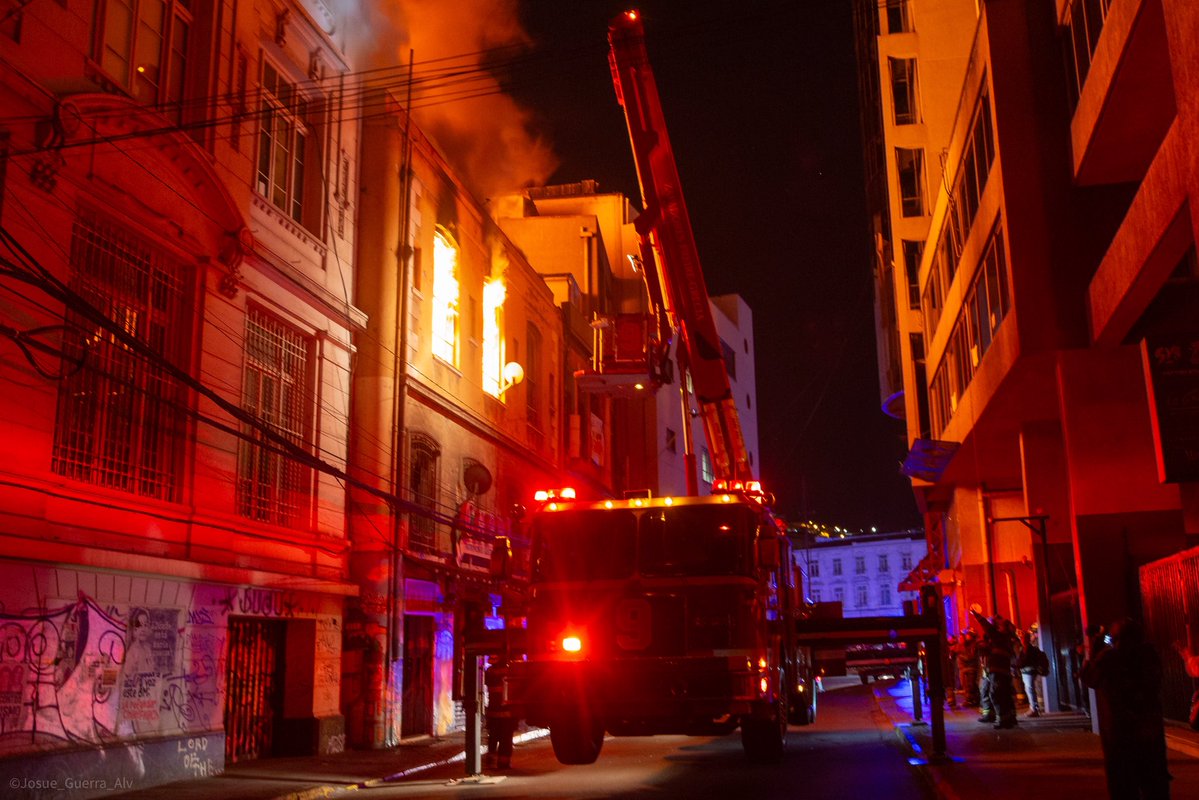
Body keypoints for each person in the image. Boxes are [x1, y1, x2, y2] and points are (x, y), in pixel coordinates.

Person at [1081, 617, 1171, 800]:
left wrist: (1093, 653)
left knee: (1123, 782)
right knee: (1154, 779)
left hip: (1120, 730)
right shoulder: (1149, 655)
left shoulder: (1109, 658)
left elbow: (1090, 678)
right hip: (1149, 728)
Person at [971, 608, 1018, 728]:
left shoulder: (999, 637)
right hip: (1003, 672)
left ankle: (1003, 721)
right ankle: (1010, 719)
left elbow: (987, 627)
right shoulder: (1007, 639)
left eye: (1000, 625)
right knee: (1005, 695)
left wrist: (977, 615)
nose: (998, 626)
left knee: (996, 694)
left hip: (997, 671)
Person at [1016, 629, 1049, 717]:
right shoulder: (1025, 648)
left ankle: (1034, 709)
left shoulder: (1027, 649)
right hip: (1027, 672)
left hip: (1028, 672)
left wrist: (1016, 665)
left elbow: (1024, 660)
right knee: (1029, 690)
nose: (1021, 639)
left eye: (1022, 638)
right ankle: (1033, 708)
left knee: (1030, 690)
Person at [957, 629, 981, 707]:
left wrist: (960, 656)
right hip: (965, 668)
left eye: (967, 636)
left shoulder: (973, 645)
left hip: (970, 667)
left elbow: (970, 656)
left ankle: (971, 700)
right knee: (968, 685)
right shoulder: (967, 645)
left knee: (970, 685)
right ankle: (973, 699)